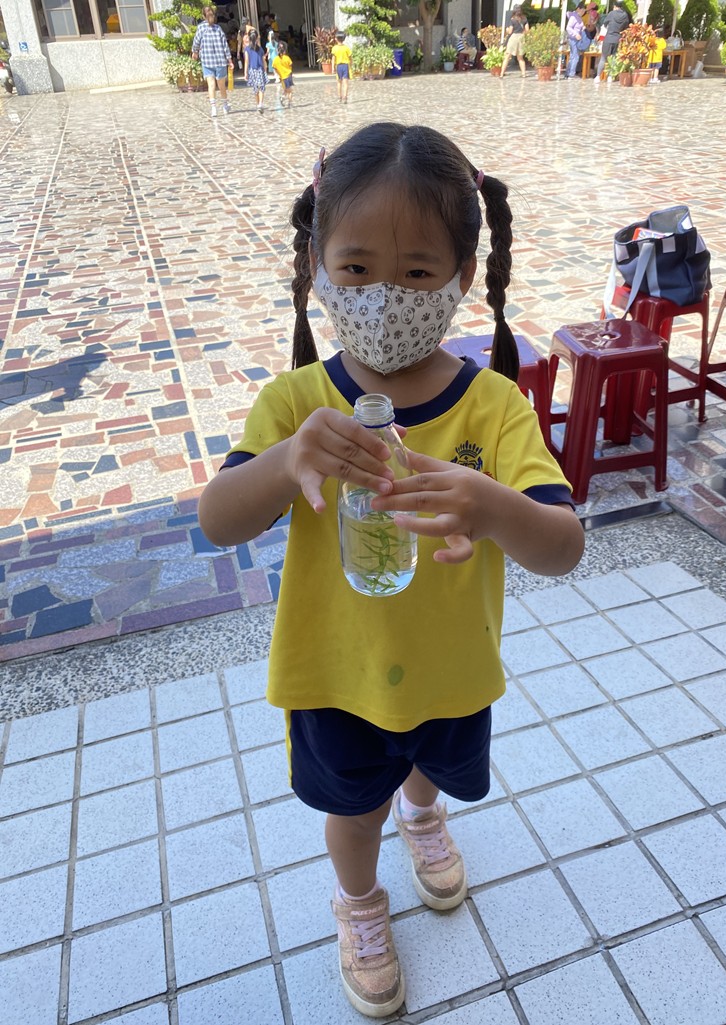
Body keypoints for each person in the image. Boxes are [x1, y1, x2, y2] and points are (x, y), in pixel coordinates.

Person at [197, 121, 584, 1018]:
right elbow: (218, 520)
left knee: (423, 762)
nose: (384, 296)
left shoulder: (493, 407)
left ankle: (423, 813)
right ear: (318, 266)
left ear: (461, 276)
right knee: (352, 808)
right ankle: (360, 903)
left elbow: (561, 547)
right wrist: (285, 461)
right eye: (357, 267)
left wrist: (491, 505)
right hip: (335, 676)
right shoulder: (297, 405)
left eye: (415, 272)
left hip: (451, 670)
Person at [191, 5, 234, 118]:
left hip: (207, 61)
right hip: (220, 61)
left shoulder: (201, 28)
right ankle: (225, 106)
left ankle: (214, 109)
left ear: (203, 16)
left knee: (211, 85)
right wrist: (229, 60)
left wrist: (195, 52)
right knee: (221, 85)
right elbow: (225, 45)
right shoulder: (218, 28)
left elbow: (196, 42)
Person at [595, 0, 629, 81]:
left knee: (603, 58)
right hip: (618, 38)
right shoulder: (625, 15)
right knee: (614, 58)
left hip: (609, 37)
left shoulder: (611, 13)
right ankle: (610, 76)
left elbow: (605, 23)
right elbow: (626, 26)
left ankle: (598, 76)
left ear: (615, 6)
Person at [500, 4, 529, 78]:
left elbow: (510, 31)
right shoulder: (524, 19)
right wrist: (522, 33)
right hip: (521, 38)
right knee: (520, 57)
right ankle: (523, 74)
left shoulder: (512, 19)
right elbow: (527, 30)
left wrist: (507, 30)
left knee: (507, 56)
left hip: (514, 38)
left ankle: (502, 74)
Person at [244, 29, 267, 111]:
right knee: (261, 87)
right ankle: (260, 104)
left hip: (252, 70)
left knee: (255, 89)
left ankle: (258, 104)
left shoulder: (247, 49)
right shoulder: (260, 49)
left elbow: (246, 61)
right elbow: (263, 60)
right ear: (257, 38)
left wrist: (245, 73)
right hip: (260, 70)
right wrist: (265, 68)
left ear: (249, 38)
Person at [566, 1, 587, 78]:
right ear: (578, 9)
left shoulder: (578, 17)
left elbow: (579, 27)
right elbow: (568, 28)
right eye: (582, 10)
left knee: (573, 56)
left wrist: (583, 28)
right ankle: (571, 74)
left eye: (584, 11)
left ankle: (569, 72)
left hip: (576, 39)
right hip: (573, 39)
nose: (583, 12)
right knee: (575, 57)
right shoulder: (573, 17)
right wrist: (576, 34)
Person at [331, 31, 351, 103]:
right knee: (345, 82)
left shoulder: (334, 48)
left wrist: (333, 68)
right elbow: (350, 58)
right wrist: (351, 65)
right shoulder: (346, 48)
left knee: (339, 82)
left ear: (336, 39)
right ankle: (345, 98)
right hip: (345, 66)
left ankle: (339, 97)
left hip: (338, 66)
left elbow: (333, 59)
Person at [273, 40, 294, 106]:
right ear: (285, 50)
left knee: (286, 89)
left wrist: (278, 74)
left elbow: (275, 68)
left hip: (282, 77)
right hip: (288, 76)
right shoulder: (287, 58)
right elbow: (290, 65)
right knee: (290, 90)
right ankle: (289, 102)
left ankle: (283, 97)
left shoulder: (276, 59)